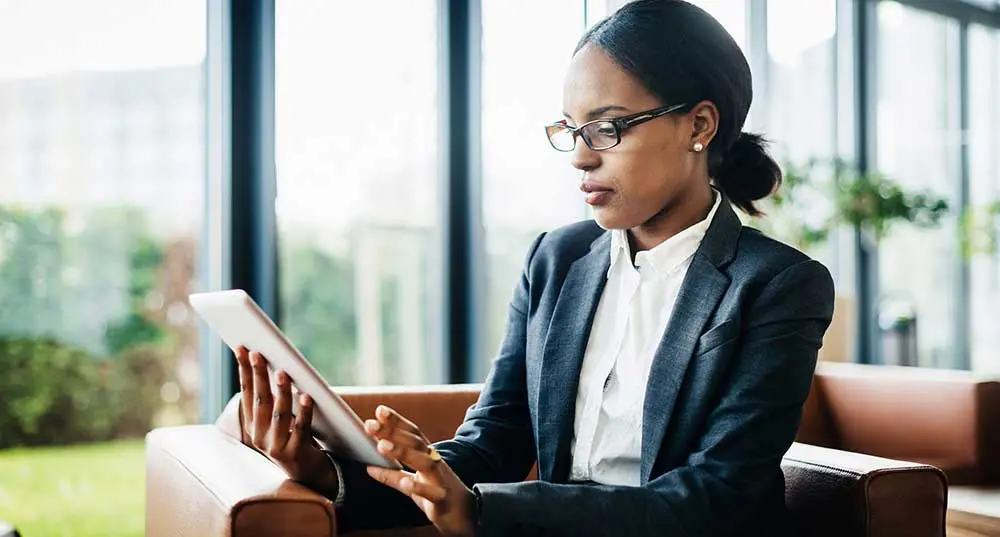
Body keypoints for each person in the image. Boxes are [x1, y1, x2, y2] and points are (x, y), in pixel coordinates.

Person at [235, 1, 835, 535]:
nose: (579, 155)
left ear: (699, 125)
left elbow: (718, 498)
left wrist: (483, 512)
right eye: (572, 129)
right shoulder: (556, 260)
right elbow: (491, 445)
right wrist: (325, 470)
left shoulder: (778, 285)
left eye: (606, 127)